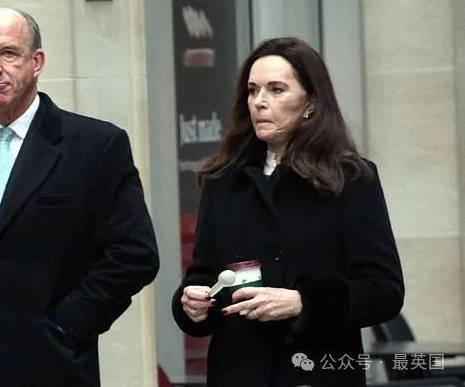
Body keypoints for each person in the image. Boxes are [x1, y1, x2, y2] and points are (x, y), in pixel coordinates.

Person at [0, 7, 159, 387]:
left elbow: (135, 255)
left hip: (50, 365)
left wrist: (67, 326)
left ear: (36, 62)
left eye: (8, 53)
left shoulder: (94, 145)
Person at [171, 37, 404, 386]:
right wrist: (191, 304)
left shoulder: (351, 179)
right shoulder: (224, 181)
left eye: (276, 90)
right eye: (252, 91)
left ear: (310, 103)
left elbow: (383, 290)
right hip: (239, 372)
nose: (260, 102)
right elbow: (203, 275)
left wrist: (302, 303)